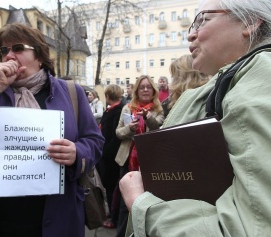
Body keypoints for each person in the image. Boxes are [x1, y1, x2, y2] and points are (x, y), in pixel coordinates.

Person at [0, 23, 104, 237]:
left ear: (40, 56)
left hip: (55, 215)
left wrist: (77, 153)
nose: (9, 56)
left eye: (17, 48)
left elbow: (94, 141)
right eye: (4, 51)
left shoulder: (70, 92)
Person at [120, 0, 271, 236]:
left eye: (203, 20)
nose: (191, 35)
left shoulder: (261, 81)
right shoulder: (232, 82)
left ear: (250, 22)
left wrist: (143, 205)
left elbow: (248, 229)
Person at [115, 75, 164, 237]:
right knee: (125, 202)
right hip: (127, 159)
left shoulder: (158, 109)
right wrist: (130, 128)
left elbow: (159, 128)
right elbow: (118, 133)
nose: (145, 90)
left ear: (153, 90)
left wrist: (148, 117)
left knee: (146, 199)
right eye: (142, 87)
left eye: (148, 87)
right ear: (136, 90)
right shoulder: (127, 108)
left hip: (149, 161)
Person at [96, 84, 124, 229]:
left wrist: (105, 152)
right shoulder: (110, 110)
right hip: (106, 154)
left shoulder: (118, 111)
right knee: (109, 186)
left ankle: (114, 217)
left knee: (113, 187)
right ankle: (111, 213)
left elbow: (114, 136)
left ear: (107, 96)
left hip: (111, 156)